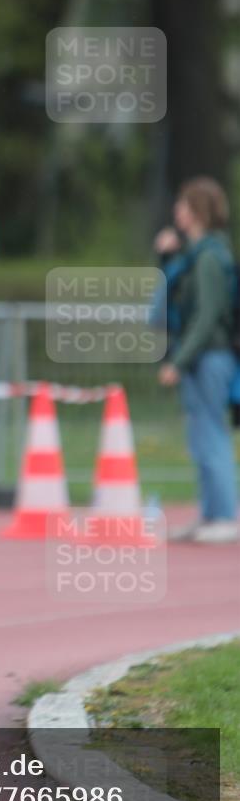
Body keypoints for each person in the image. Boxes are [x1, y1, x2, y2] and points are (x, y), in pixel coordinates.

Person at [154, 176, 238, 544]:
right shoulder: (196, 253)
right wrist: (166, 256)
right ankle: (210, 513)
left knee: (211, 434)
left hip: (210, 357)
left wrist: (179, 360)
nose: (177, 212)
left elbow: (206, 316)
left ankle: (224, 515)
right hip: (200, 357)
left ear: (198, 211)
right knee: (201, 435)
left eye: (183, 205)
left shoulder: (209, 257)